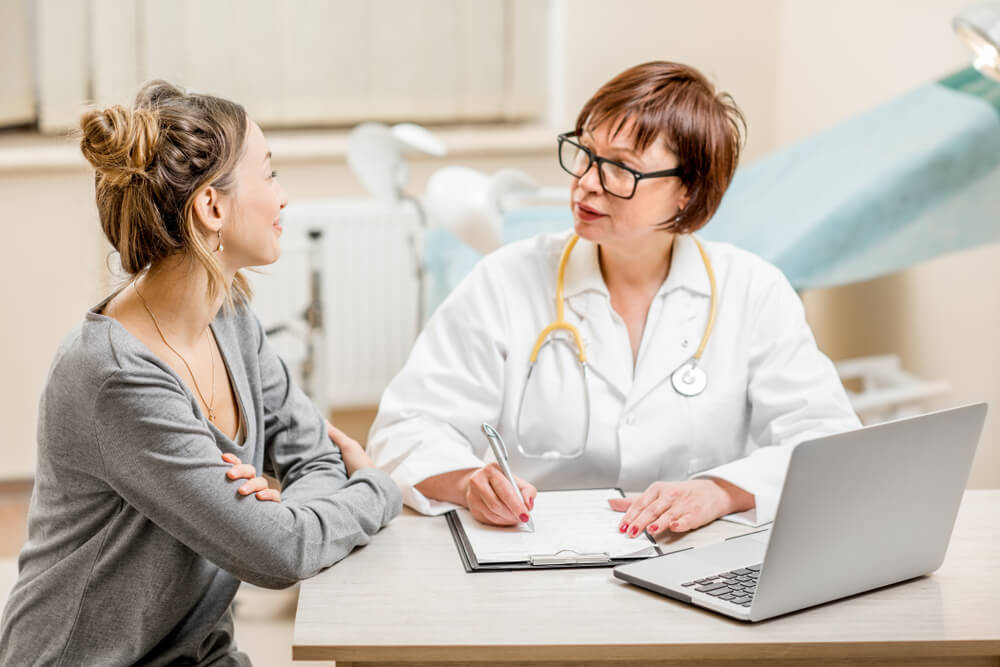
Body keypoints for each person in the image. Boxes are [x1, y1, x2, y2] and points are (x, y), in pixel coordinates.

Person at [0, 81, 401, 666]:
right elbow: (278, 555)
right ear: (212, 206)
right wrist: (376, 489)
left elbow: (314, 459)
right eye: (269, 174)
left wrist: (283, 517)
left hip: (200, 651)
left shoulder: (230, 316)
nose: (283, 197)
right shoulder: (117, 377)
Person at [368, 61, 859, 536]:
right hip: (535, 556)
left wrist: (721, 491)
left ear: (686, 192)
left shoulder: (753, 291)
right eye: (585, 153)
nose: (585, 182)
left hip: (689, 555)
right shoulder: (505, 279)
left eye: (620, 169)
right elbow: (404, 430)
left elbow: (828, 441)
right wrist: (468, 481)